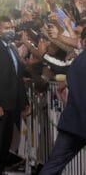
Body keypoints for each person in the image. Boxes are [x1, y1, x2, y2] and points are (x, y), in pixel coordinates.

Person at [0, 15, 30, 175]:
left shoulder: (12, 47)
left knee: (4, 145)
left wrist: (25, 103)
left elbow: (17, 77)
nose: (10, 30)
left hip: (11, 105)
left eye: (12, 27)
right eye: (6, 28)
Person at [39, 28, 86, 174]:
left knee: (53, 165)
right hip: (75, 124)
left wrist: (44, 54)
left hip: (72, 124)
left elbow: (61, 67)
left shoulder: (77, 61)